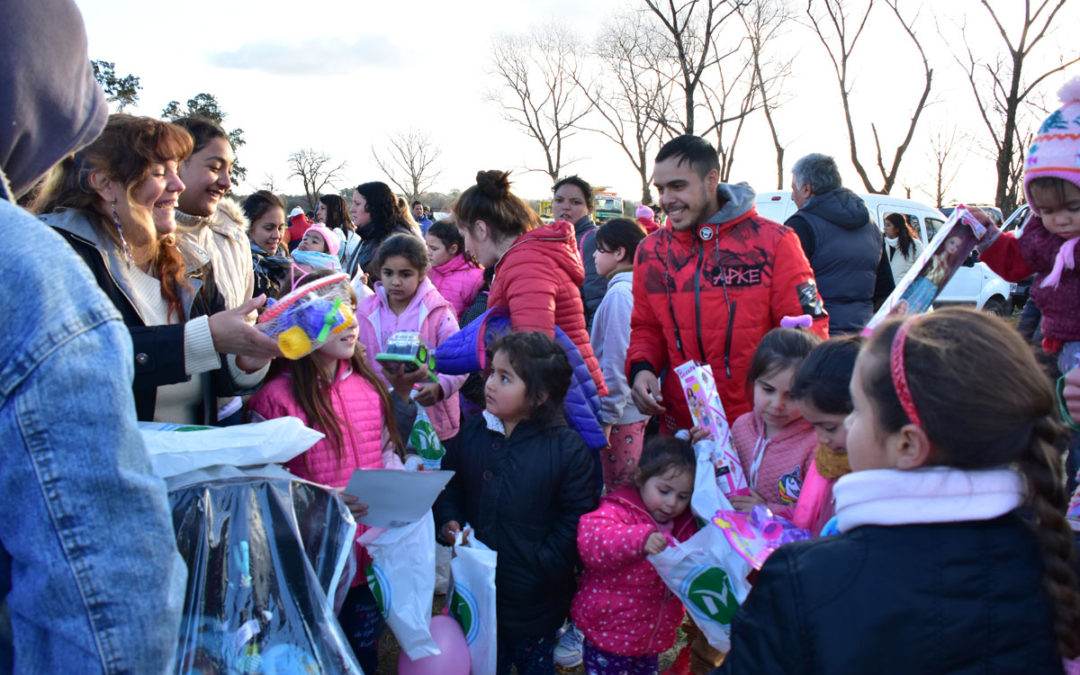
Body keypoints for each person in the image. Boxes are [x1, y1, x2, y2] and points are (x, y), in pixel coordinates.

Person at [714, 308, 1080, 674]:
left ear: (907, 445)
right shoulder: (1057, 561)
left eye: (856, 410)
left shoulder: (805, 583)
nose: (842, 430)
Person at [0, 0, 185, 668]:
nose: (175, 185)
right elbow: (105, 595)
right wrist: (207, 343)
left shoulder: (177, 260)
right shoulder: (41, 266)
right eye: (158, 169)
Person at [39, 115, 276, 424]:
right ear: (105, 183)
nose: (177, 185)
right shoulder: (58, 254)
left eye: (177, 170)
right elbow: (69, 363)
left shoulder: (191, 261)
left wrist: (247, 358)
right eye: (160, 172)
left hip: (190, 465)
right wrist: (198, 339)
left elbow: (217, 381)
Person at [247, 271, 408, 673]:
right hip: (311, 562)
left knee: (362, 652)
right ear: (300, 323)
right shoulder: (274, 400)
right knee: (313, 654)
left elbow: (387, 452)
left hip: (367, 557)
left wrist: (401, 480)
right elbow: (260, 492)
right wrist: (321, 500)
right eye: (333, 310)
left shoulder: (370, 387)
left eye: (352, 307)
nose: (350, 320)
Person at [629, 135, 828, 432]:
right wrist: (642, 368)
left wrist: (784, 406)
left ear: (711, 180)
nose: (666, 199)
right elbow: (646, 326)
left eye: (678, 186)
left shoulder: (775, 242)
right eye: (661, 188)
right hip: (682, 426)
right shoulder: (651, 251)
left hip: (757, 426)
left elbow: (807, 331)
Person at [434, 332, 599, 675]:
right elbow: (450, 486)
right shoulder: (473, 434)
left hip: (535, 602)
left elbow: (576, 521)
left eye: (505, 377)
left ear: (539, 396)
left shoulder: (567, 451)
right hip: (476, 593)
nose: (491, 384)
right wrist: (449, 521)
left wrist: (543, 565)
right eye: (492, 373)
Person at [454, 170, 608, 399]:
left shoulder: (525, 264)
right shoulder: (523, 258)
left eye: (463, 235)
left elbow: (533, 356)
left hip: (557, 405)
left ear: (480, 229)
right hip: (564, 395)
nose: (466, 248)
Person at [571, 436, 698, 674]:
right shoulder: (617, 510)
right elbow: (592, 542)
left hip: (651, 638)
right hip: (609, 634)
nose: (672, 503)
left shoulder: (684, 525)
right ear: (641, 477)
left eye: (683, 497)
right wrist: (639, 539)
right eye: (664, 490)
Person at [978, 77, 1080, 373]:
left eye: (1073, 208)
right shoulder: (1044, 236)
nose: (1060, 219)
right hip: (1054, 339)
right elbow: (1015, 260)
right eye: (1046, 210)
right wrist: (985, 233)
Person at [354, 233, 465, 441]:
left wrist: (441, 386)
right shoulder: (365, 313)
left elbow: (458, 361)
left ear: (422, 274)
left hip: (432, 421)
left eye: (405, 274)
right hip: (381, 417)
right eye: (388, 273)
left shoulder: (437, 312)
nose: (395, 282)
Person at [786, 153, 893, 335]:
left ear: (806, 189)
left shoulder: (800, 227)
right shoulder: (871, 226)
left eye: (793, 188)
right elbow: (885, 291)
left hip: (817, 340)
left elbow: (786, 290)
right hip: (862, 340)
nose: (791, 196)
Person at [730, 327, 821, 519]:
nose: (778, 404)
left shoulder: (815, 444)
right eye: (768, 389)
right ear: (753, 381)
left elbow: (815, 512)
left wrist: (767, 510)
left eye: (792, 395)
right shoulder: (741, 428)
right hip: (733, 537)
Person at [591, 217, 650, 490]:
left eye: (600, 249)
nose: (593, 255)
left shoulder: (620, 296)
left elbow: (616, 362)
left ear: (619, 253)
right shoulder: (633, 288)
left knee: (619, 491)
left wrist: (607, 418)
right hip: (628, 411)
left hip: (619, 417)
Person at [172, 116, 253, 311]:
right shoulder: (140, 237)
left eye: (230, 171)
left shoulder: (234, 237)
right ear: (176, 164)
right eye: (215, 168)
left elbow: (247, 315)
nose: (226, 183)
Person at [789, 337, 861, 535]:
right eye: (814, 427)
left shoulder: (870, 473)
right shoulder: (828, 459)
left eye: (829, 428)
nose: (821, 439)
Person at [554, 175, 606, 329]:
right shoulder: (553, 239)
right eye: (559, 200)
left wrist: (588, 348)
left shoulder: (591, 240)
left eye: (575, 202)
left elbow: (596, 301)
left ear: (589, 209)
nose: (565, 207)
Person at [347, 181, 419, 283]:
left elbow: (400, 286)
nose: (352, 209)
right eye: (352, 203)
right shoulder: (368, 234)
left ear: (374, 207)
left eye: (357, 204)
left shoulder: (397, 240)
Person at [425, 218, 485, 318]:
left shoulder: (475, 278)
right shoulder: (428, 272)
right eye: (427, 246)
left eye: (434, 248)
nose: (428, 253)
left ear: (453, 249)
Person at [242, 189, 291, 300]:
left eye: (281, 228)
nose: (277, 235)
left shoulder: (284, 259)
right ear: (248, 228)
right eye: (269, 228)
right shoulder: (240, 265)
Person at [898, 234, 964, 314]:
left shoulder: (947, 266)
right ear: (946, 241)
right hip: (920, 287)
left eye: (957, 246)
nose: (953, 247)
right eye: (952, 242)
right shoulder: (933, 258)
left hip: (930, 293)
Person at [318, 193, 358, 269]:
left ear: (335, 212)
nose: (317, 213)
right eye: (318, 208)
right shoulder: (321, 234)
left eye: (322, 208)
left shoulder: (351, 237)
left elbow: (359, 269)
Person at [883, 212, 924, 283]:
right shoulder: (880, 243)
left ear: (897, 228)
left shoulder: (914, 245)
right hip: (885, 291)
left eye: (888, 225)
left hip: (904, 289)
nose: (884, 228)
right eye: (885, 225)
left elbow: (922, 268)